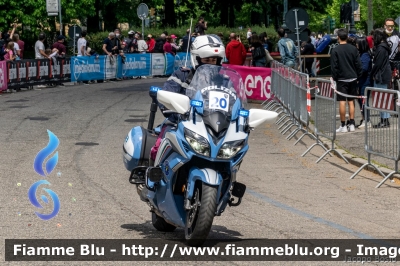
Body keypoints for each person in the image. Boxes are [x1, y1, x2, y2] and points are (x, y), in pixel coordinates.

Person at [150, 35, 226, 163]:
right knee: (159, 145)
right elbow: (168, 92)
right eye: (207, 60)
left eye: (214, 60)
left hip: (212, 127)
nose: (211, 64)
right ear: (196, 58)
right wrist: (169, 105)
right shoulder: (181, 75)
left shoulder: (224, 81)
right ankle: (154, 177)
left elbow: (234, 102)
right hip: (179, 123)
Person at [330, 28, 363, 133]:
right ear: (347, 37)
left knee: (342, 102)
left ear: (338, 37)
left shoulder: (335, 50)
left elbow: (334, 67)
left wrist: (335, 78)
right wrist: (358, 76)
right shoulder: (353, 49)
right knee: (351, 101)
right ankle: (352, 123)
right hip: (353, 77)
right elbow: (358, 64)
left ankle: (343, 125)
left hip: (341, 79)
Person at [370, 28, 392, 128]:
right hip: (384, 74)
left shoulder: (380, 48)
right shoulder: (385, 47)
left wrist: (372, 73)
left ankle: (384, 120)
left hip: (380, 75)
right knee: (383, 98)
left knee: (381, 98)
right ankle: (385, 119)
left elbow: (377, 63)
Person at [355, 37, 372, 128]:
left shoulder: (365, 55)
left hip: (365, 81)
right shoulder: (362, 54)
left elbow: (364, 68)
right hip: (363, 80)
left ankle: (367, 120)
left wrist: (356, 72)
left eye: (357, 44)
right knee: (361, 100)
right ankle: (365, 118)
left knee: (364, 100)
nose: (356, 45)